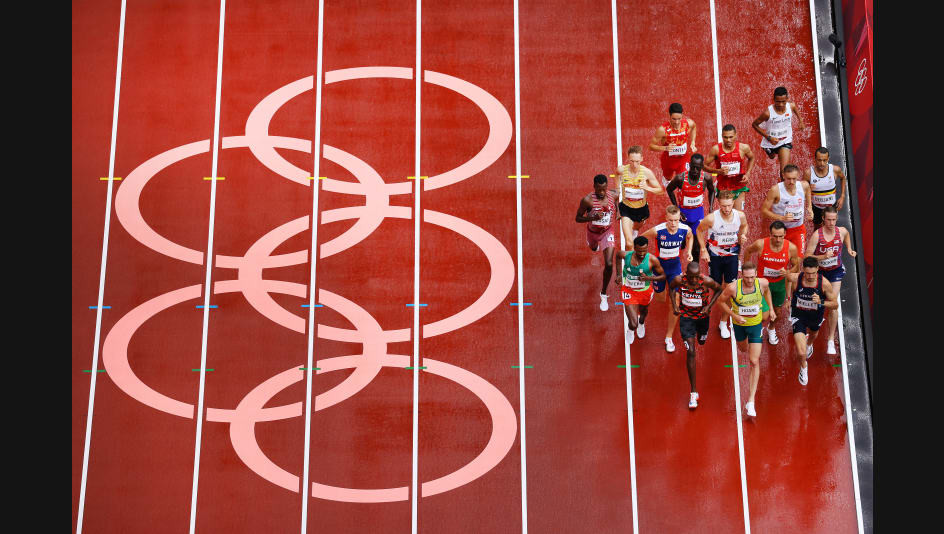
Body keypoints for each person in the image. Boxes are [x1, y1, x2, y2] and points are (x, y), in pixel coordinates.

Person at [716, 262, 774, 417]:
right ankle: (748, 344)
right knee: (743, 348)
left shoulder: (763, 283)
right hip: (739, 326)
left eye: (752, 277)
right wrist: (734, 316)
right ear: (742, 275)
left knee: (754, 361)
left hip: (755, 325)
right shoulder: (733, 288)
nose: (749, 280)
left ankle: (751, 401)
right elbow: (720, 301)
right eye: (747, 277)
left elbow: (767, 292)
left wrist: (771, 308)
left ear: (756, 275)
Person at [669, 262, 723, 408]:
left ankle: (702, 335)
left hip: (702, 318)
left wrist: (709, 306)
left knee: (701, 341)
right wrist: (674, 305)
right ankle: (693, 392)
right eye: (691, 277)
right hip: (686, 318)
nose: (694, 280)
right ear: (686, 274)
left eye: (696, 277)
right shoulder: (679, 280)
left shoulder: (707, 281)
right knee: (691, 352)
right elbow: (671, 288)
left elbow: (719, 289)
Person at [696, 190, 749, 339]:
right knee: (716, 286)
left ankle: (723, 322)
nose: (726, 209)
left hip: (732, 256)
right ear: (719, 204)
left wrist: (743, 235)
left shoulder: (740, 216)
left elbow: (744, 226)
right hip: (715, 256)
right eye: (723, 206)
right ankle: (704, 311)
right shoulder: (712, 218)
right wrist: (703, 250)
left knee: (731, 289)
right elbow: (699, 231)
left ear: (733, 203)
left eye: (729, 205)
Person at [640, 205, 693, 352]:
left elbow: (690, 236)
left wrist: (689, 251)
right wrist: (645, 257)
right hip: (659, 268)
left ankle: (668, 337)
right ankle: (653, 292)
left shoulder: (684, 229)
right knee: (661, 298)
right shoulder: (658, 231)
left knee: (675, 301)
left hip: (675, 267)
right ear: (666, 218)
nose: (674, 223)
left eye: (676, 220)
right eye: (670, 220)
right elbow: (641, 238)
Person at [804, 206, 857, 354]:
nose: (831, 223)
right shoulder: (817, 235)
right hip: (819, 273)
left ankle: (830, 340)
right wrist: (823, 257)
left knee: (833, 304)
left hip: (835, 272)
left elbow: (847, 236)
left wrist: (849, 249)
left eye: (834, 220)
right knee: (814, 305)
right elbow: (807, 256)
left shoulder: (842, 231)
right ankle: (809, 338)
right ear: (823, 219)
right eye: (828, 220)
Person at [744, 221, 800, 345]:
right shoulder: (760, 244)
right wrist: (747, 271)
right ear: (770, 234)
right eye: (775, 236)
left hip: (779, 285)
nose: (778, 239)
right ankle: (756, 329)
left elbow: (796, 266)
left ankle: (771, 328)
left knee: (778, 313)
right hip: (762, 284)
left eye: (781, 236)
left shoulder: (791, 248)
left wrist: (788, 272)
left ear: (785, 234)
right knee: (762, 313)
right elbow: (748, 251)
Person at [785, 257, 839, 385]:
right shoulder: (796, 278)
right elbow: (787, 279)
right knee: (801, 352)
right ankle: (804, 367)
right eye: (808, 273)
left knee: (813, 334)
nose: (810, 276)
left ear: (818, 269)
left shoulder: (824, 284)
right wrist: (788, 298)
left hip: (815, 316)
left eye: (813, 273)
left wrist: (820, 301)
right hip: (799, 316)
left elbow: (835, 305)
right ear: (803, 269)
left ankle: (810, 344)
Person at [575, 174, 619, 311]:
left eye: (604, 189)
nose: (602, 192)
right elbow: (577, 218)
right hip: (593, 233)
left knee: (609, 263)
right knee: (593, 248)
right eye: (599, 189)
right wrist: (592, 217)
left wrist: (618, 212)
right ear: (594, 187)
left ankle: (603, 294)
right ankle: (594, 246)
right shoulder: (587, 201)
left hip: (607, 232)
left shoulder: (614, 195)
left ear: (607, 187)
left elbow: (617, 201)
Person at [615, 236, 666, 345]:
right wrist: (619, 274)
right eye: (639, 251)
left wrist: (649, 278)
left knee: (643, 313)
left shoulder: (652, 260)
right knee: (633, 323)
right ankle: (631, 329)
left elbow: (663, 276)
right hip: (629, 291)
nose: (642, 254)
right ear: (634, 248)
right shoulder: (626, 255)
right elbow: (618, 256)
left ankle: (642, 323)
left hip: (645, 292)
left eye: (644, 250)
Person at [666, 153, 715, 263]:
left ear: (702, 167)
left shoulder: (706, 178)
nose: (695, 170)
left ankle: (694, 268)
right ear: (689, 165)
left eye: (698, 168)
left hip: (697, 214)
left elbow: (712, 191)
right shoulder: (680, 178)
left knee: (696, 247)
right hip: (683, 214)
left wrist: (711, 207)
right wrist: (676, 208)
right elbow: (669, 189)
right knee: (679, 243)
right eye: (693, 167)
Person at [760, 164, 813, 255]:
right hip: (780, 230)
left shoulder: (804, 185)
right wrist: (781, 218)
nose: (791, 182)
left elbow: (808, 190)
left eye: (794, 179)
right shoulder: (776, 190)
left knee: (798, 258)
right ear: (783, 176)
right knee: (781, 257)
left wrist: (809, 208)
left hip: (798, 229)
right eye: (788, 179)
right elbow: (764, 211)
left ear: (798, 175)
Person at [752, 86, 805, 176]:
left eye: (783, 102)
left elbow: (795, 109)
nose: (780, 104)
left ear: (787, 99)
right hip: (770, 142)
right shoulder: (767, 113)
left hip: (785, 140)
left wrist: (801, 121)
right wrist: (769, 138)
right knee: (772, 157)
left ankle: (784, 184)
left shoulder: (791, 106)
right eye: (778, 102)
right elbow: (754, 125)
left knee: (784, 171)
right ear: (773, 99)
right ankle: (768, 150)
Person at [616, 145, 663, 244]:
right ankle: (630, 249)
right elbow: (616, 174)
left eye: (637, 161)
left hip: (641, 209)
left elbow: (660, 190)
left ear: (642, 159)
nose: (634, 165)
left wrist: (647, 188)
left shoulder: (647, 173)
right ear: (628, 158)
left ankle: (635, 230)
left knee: (637, 226)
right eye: (632, 161)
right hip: (626, 208)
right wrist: (617, 188)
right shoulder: (621, 170)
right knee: (629, 243)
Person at [703, 124, 755, 210]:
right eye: (725, 137)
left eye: (731, 137)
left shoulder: (743, 148)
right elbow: (704, 166)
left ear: (736, 135)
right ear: (722, 136)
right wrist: (718, 171)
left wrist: (748, 173)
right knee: (727, 213)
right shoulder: (716, 149)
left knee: (739, 214)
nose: (728, 140)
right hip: (724, 187)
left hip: (739, 185)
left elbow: (752, 158)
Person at [649, 103, 698, 187]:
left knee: (683, 181)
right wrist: (665, 148)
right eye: (674, 119)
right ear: (669, 116)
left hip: (683, 158)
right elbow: (651, 146)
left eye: (679, 119)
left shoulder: (688, 123)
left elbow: (694, 127)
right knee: (668, 178)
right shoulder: (662, 130)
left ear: (682, 115)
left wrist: (693, 142)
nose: (677, 122)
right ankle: (667, 180)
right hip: (668, 160)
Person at [803, 146, 848, 229]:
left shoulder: (835, 170)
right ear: (815, 159)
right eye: (819, 160)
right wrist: (808, 189)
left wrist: (842, 196)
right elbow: (802, 190)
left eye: (824, 160)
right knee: (817, 227)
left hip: (831, 206)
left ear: (828, 159)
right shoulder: (808, 173)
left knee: (830, 227)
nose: (822, 163)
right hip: (816, 207)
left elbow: (843, 178)